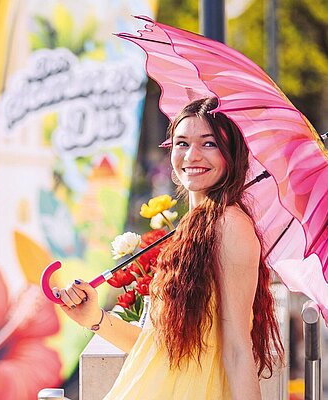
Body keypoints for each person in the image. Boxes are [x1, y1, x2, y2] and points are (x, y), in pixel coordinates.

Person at [53, 97, 284, 400]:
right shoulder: (193, 228)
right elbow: (158, 346)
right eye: (182, 143)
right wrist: (95, 318)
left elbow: (237, 350)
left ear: (232, 154)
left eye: (209, 144)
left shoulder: (229, 225)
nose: (192, 155)